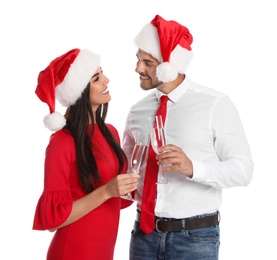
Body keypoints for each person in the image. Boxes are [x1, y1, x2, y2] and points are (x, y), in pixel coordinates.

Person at [122, 15, 254, 259]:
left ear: (168, 65)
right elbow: (126, 168)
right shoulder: (136, 111)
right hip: (143, 235)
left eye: (148, 63)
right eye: (138, 60)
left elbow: (243, 170)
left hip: (194, 239)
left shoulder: (215, 104)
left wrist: (193, 168)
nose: (138, 69)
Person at [33, 48, 139, 260]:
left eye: (103, 73)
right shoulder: (62, 142)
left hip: (103, 252)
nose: (106, 80)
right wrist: (106, 191)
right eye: (96, 78)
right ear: (79, 91)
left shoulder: (111, 132)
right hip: (73, 252)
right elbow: (53, 222)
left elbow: (120, 198)